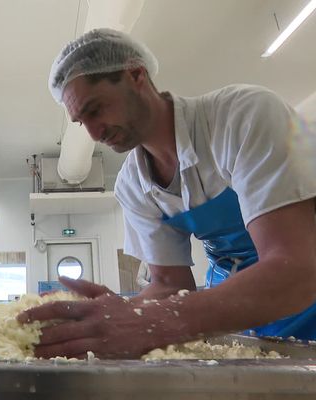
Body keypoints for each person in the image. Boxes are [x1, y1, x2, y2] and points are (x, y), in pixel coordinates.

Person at [18, 28, 316, 359]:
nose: (93, 132)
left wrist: (150, 323)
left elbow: (297, 269)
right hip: (237, 313)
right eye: (80, 122)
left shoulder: (243, 117)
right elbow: (171, 285)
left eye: (95, 109)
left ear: (136, 75)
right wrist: (122, 312)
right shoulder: (133, 184)